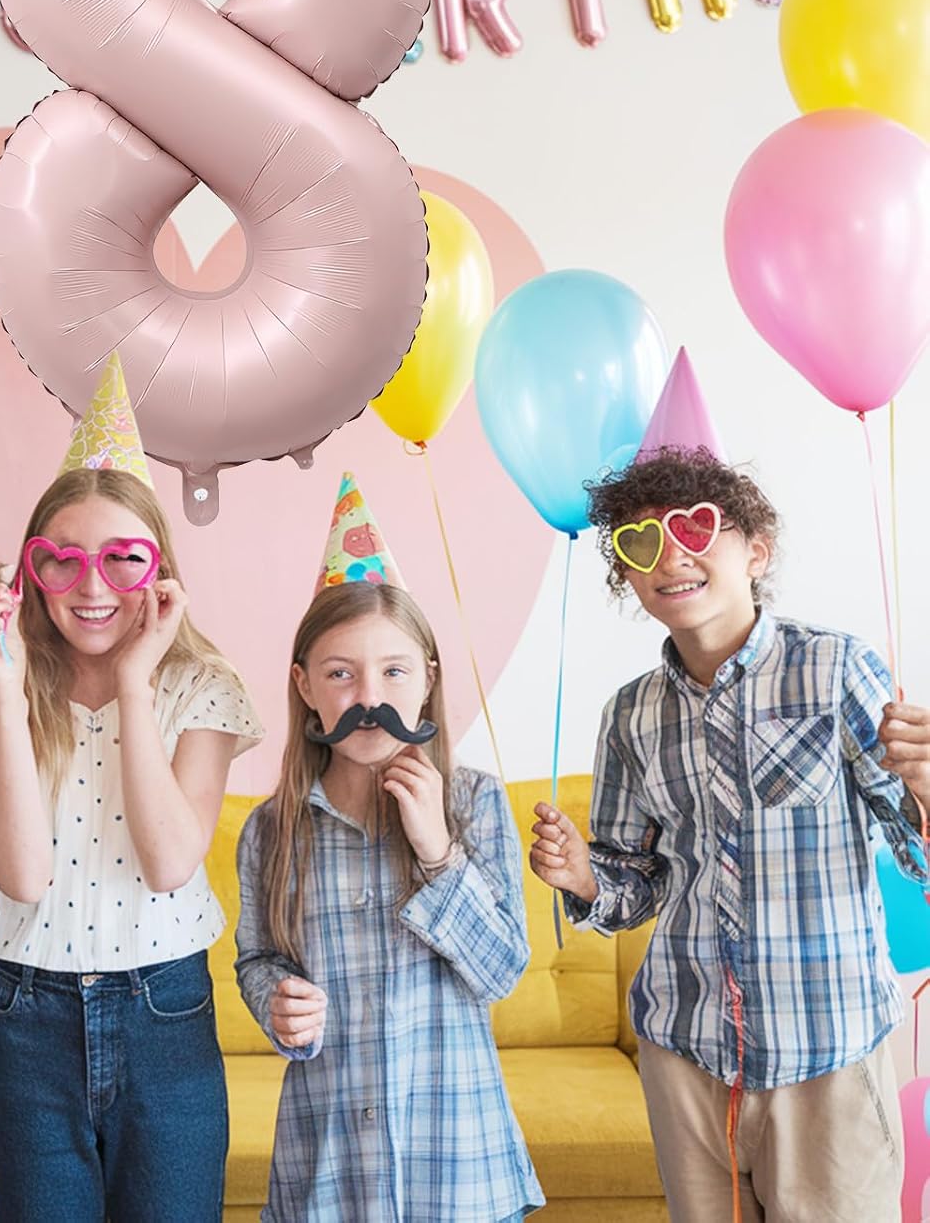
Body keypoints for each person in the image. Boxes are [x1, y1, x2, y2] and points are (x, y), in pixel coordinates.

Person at [531, 429, 930, 1222]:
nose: (671, 556)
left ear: (756, 551)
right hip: (687, 1053)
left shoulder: (834, 668)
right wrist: (584, 877)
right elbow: (637, 882)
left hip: (829, 1049)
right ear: (628, 576)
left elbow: (913, 851)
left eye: (696, 527)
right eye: (642, 543)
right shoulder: (629, 715)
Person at [0, 353, 262, 1223]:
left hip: (164, 1010)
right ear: (30, 574)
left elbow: (169, 862)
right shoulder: (5, 687)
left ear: (158, 571)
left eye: (122, 560)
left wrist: (134, 683)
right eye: (63, 562)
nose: (92, 588)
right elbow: (22, 876)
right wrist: (4, 691)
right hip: (27, 1015)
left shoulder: (202, 688)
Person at [234, 473, 542, 1222]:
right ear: (305, 686)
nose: (368, 698)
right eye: (341, 674)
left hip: (458, 1170)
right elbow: (257, 959)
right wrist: (275, 1000)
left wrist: (437, 851)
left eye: (393, 671)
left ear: (427, 681)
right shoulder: (272, 830)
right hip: (329, 1166)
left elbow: (502, 972)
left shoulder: (474, 804)